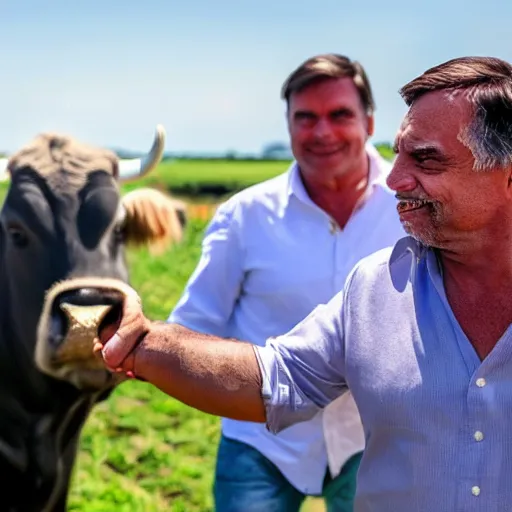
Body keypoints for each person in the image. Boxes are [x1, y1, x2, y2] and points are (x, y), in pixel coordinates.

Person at [94, 55, 512, 511]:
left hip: (356, 444)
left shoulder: (399, 228)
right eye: (305, 118)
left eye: (426, 159)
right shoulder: (372, 284)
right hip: (266, 449)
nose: (395, 179)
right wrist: (143, 342)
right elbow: (280, 377)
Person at [168, 54, 405, 511]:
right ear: (289, 124)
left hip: (378, 435)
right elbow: (194, 323)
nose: (322, 132)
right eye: (306, 118)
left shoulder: (410, 208)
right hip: (260, 441)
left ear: (370, 122)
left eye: (339, 115)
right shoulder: (245, 216)